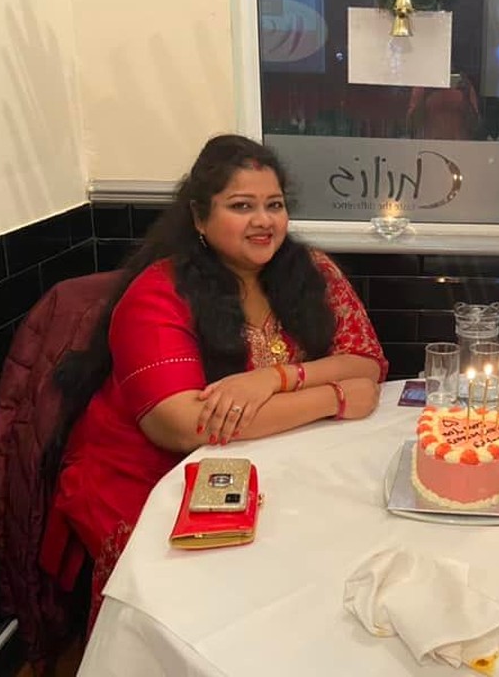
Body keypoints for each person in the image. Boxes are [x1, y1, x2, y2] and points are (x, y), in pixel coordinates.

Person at [39, 134, 388, 626]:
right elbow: (186, 425)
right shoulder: (159, 293)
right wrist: (333, 396)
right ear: (200, 218)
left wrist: (275, 378)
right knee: (204, 598)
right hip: (145, 474)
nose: (264, 221)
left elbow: (366, 363)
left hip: (261, 454)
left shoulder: (310, 270)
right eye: (242, 206)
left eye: (274, 205)